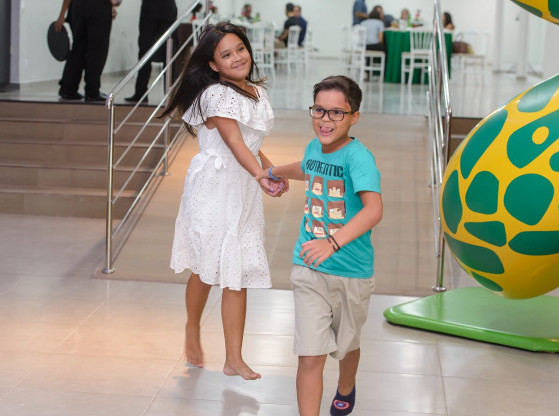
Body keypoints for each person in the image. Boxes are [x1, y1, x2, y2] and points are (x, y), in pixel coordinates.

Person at [159, 22, 288, 380]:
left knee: (237, 271)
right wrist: (260, 174)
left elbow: (251, 145)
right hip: (214, 186)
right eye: (226, 54)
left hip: (242, 186)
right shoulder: (215, 95)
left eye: (240, 49)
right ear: (213, 64)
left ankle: (234, 358)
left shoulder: (256, 92)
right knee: (206, 266)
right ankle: (192, 325)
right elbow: (233, 142)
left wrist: (269, 171)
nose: (237, 58)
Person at [256, 75, 383, 415]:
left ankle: (346, 385)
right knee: (310, 356)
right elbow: (308, 167)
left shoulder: (359, 158)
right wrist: (274, 171)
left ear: (354, 117)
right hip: (308, 266)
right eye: (319, 110)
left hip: (351, 271)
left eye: (337, 113)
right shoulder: (314, 147)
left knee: (346, 346)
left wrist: (333, 242)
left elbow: (373, 210)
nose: (326, 120)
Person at [55, 0, 119, 102]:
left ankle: (68, 90)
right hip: (99, 7)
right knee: (97, 51)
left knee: (77, 49)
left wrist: (62, 14)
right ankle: (92, 92)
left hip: (78, 7)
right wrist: (112, 3)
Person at [125, 0, 177, 103]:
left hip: (156, 9)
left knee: (158, 51)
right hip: (163, 9)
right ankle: (168, 94)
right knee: (164, 51)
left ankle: (143, 93)